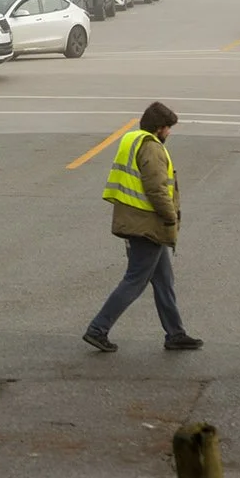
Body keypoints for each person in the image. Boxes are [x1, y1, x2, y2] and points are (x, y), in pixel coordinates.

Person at [83, 101, 202, 353]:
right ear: (159, 128)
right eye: (168, 128)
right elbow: (156, 188)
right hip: (147, 225)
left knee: (164, 280)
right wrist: (170, 217)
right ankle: (98, 328)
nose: (169, 132)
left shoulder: (132, 139)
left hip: (135, 220)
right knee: (135, 280)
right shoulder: (151, 148)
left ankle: (175, 333)